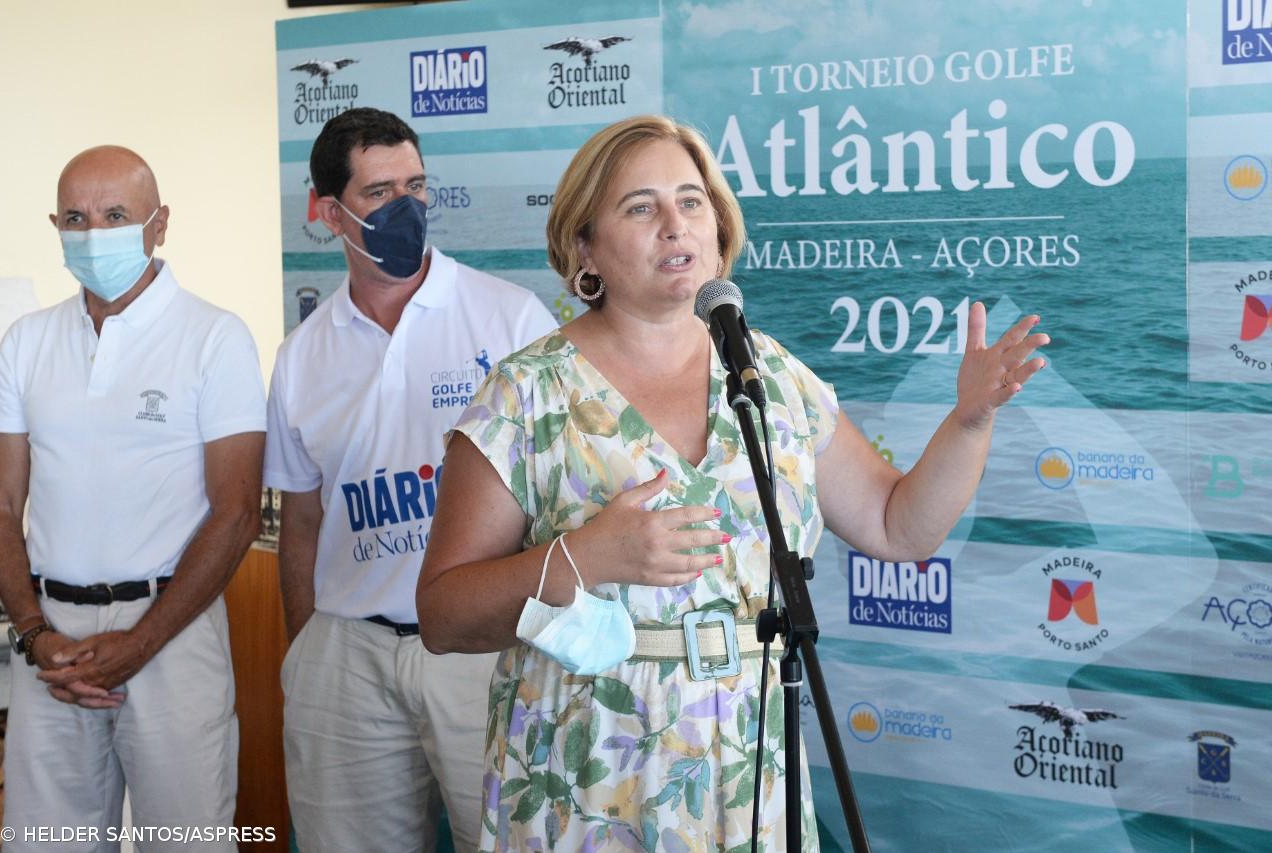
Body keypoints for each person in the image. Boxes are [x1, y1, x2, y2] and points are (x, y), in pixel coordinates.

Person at [416, 115, 1051, 851]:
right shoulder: (526, 393)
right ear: (584, 245)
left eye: (691, 201)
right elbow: (443, 613)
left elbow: (899, 525)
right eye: (640, 206)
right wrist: (587, 556)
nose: (674, 224)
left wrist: (969, 421)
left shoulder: (770, 376)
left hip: (750, 766)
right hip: (587, 772)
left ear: (719, 226)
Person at [264, 107, 557, 853]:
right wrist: (308, 651)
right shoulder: (302, 355)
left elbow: (559, 497)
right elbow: (300, 521)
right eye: (380, 191)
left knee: (507, 839)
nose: (407, 206)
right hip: (350, 654)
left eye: (417, 185)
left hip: (482, 649)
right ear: (328, 213)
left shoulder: (508, 318)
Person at [0, 146, 267, 850]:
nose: (94, 233)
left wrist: (141, 641)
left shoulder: (213, 337)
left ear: (159, 223)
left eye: (115, 214)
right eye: (76, 218)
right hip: (48, 641)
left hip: (170, 632)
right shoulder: (25, 342)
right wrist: (33, 631)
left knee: (185, 841)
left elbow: (236, 512)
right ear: (55, 225)